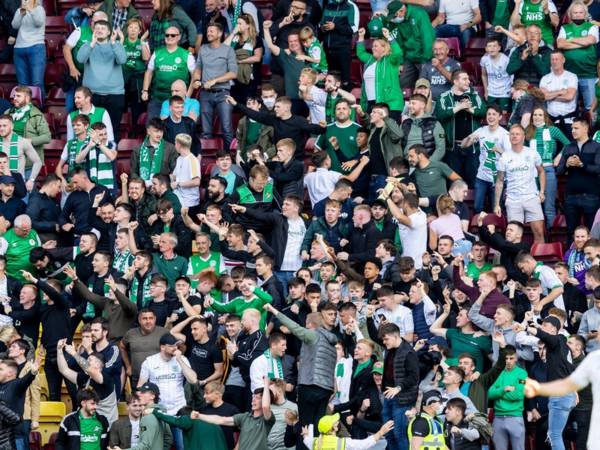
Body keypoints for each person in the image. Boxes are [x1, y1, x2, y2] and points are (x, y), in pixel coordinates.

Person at [494, 124, 546, 243]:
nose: (514, 136)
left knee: (539, 231)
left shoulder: (532, 153)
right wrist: (497, 204)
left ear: (523, 137)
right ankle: (516, 262)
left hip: (531, 197)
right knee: (513, 236)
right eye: (512, 134)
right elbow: (500, 181)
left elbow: (542, 171)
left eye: (517, 134)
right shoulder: (504, 157)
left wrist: (542, 191)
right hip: (513, 200)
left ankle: (538, 260)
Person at [191, 377, 275, 450]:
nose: (253, 399)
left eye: (257, 398)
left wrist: (266, 385)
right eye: (253, 397)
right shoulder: (244, 417)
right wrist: (199, 416)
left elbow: (265, 407)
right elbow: (221, 420)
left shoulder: (266, 420)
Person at [435, 70, 487, 187]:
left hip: (471, 147)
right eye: (464, 79)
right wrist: (458, 107)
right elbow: (440, 114)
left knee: (474, 181)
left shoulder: (474, 95)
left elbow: (484, 111)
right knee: (454, 183)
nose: (468, 81)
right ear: (455, 81)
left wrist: (470, 109)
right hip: (452, 147)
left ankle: (474, 206)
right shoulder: (444, 97)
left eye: (468, 79)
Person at [190, 23, 237, 149]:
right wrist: (196, 79)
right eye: (208, 31)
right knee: (206, 130)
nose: (208, 33)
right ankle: (206, 157)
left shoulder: (228, 50)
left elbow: (233, 73)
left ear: (220, 33)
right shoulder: (203, 49)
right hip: (205, 93)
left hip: (223, 93)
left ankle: (229, 156)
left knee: (226, 127)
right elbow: (198, 68)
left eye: (211, 31)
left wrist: (215, 80)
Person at [77, 18, 127, 133]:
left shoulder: (116, 45)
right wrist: (92, 44)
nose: (99, 30)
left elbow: (122, 60)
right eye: (97, 28)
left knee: (112, 130)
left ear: (109, 32)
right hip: (92, 94)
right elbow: (80, 59)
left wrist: (114, 43)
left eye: (103, 28)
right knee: (90, 130)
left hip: (114, 94)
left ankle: (111, 151)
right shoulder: (88, 45)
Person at [556, 117, 600, 245]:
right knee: (571, 232)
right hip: (571, 197)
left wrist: (581, 164)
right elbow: (559, 171)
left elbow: (598, 168)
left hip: (591, 196)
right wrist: (567, 165)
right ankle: (570, 260)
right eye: (572, 128)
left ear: (585, 129)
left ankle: (592, 263)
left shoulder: (597, 147)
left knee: (592, 232)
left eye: (576, 128)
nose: (573, 131)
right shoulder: (568, 147)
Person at [142, 26, 195, 121]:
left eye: (173, 35)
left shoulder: (186, 54)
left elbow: (195, 76)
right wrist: (145, 90)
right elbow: (149, 72)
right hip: (158, 97)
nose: (169, 37)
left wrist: (188, 95)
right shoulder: (157, 53)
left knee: (174, 129)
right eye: (167, 35)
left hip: (178, 100)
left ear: (179, 37)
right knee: (152, 127)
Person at [556, 1, 599, 111]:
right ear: (570, 14)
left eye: (580, 12)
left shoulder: (592, 27)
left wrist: (570, 40)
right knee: (569, 107)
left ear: (585, 14)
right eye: (575, 12)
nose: (578, 15)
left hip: (589, 74)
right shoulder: (564, 28)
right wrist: (581, 42)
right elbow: (560, 44)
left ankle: (592, 129)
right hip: (569, 75)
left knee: (590, 107)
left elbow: (590, 40)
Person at [356, 27, 404, 120]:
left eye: (376, 46)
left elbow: (398, 53)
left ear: (383, 48)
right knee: (374, 133)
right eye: (372, 46)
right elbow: (360, 53)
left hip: (390, 104)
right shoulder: (370, 60)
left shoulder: (390, 60)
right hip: (371, 103)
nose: (373, 48)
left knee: (390, 133)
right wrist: (361, 37)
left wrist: (389, 37)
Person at [488, 346, 527, 450]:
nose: (508, 361)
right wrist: (504, 389)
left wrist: (498, 391)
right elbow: (489, 394)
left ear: (516, 358)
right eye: (506, 358)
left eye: (511, 358)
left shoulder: (522, 373)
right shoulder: (497, 372)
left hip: (515, 417)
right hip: (498, 418)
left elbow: (518, 395)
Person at [4, 86, 51, 165]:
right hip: (8, 161)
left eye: (18, 96)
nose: (15, 98)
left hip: (28, 163)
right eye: (14, 96)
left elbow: (47, 137)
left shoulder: (36, 115)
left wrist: (29, 141)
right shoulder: (8, 113)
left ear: (27, 98)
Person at [11, 0, 46, 98]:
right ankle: (23, 109)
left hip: (36, 47)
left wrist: (31, 10)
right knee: (22, 84)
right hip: (19, 48)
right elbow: (14, 25)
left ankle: (39, 110)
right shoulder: (19, 10)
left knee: (37, 82)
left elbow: (38, 22)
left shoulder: (39, 9)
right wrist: (21, 14)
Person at [0, 115, 42, 193]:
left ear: (12, 126)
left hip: (18, 185)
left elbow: (38, 162)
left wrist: (31, 180)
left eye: (4, 126)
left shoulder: (22, 142)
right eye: (0, 126)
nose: (1, 128)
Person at [401, 93, 446, 162]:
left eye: (413, 103)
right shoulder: (405, 123)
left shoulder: (434, 123)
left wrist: (428, 164)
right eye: (409, 103)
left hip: (427, 164)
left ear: (422, 105)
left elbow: (441, 148)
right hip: (407, 164)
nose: (410, 106)